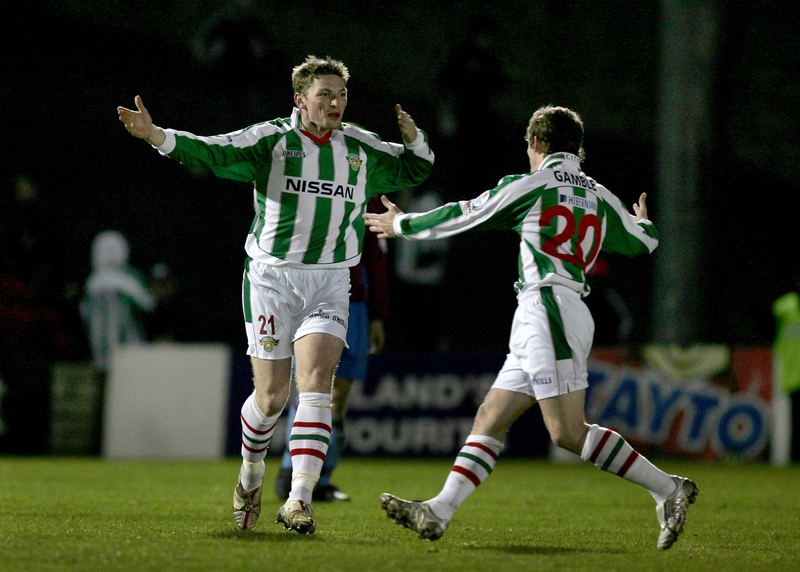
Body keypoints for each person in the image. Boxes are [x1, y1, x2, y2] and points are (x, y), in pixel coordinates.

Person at [116, 55, 434, 535]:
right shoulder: (271, 141)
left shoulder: (359, 147)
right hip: (271, 280)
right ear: (299, 99)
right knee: (270, 398)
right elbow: (213, 151)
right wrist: (157, 136)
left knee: (318, 383)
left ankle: (299, 500)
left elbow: (414, 171)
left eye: (341, 94)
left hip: (330, 279)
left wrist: (414, 139)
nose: (335, 103)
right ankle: (250, 476)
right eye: (324, 94)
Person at [364, 105, 698, 551]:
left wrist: (401, 223)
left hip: (549, 308)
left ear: (537, 144)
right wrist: (644, 222)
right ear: (578, 148)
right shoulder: (599, 195)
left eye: (528, 145)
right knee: (491, 417)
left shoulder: (532, 184)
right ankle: (439, 510)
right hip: (551, 310)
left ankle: (667, 489)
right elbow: (643, 243)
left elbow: (468, 212)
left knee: (565, 432)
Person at [275, 194, 389, 501]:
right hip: (315, 295)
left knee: (339, 396)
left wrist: (377, 314)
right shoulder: (315, 180)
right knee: (312, 387)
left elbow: (375, 259)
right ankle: (290, 473)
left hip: (356, 302)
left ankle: (321, 479)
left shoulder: (374, 200)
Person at [80, 230, 156, 373]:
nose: (109, 254)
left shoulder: (128, 280)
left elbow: (148, 304)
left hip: (127, 344)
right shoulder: (93, 283)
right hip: (102, 345)